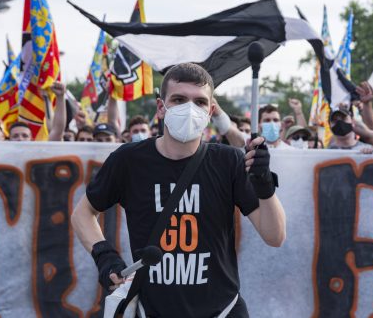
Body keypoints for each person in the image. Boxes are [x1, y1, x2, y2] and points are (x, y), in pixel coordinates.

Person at [71, 63, 286, 317]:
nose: (189, 109)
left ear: (210, 111)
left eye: (199, 102)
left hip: (223, 311)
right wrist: (105, 256)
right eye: (179, 99)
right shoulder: (129, 160)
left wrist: (265, 186)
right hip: (152, 311)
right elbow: (83, 213)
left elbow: (275, 236)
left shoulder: (229, 161)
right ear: (161, 108)